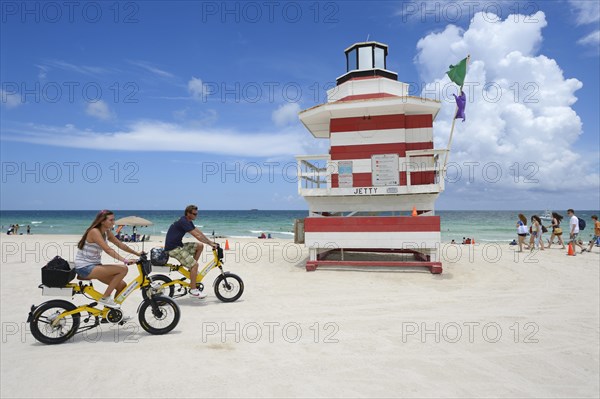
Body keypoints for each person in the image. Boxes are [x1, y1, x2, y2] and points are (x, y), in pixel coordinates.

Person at [74, 210, 141, 309]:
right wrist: (125, 260)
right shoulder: (94, 232)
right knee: (123, 269)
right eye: (111, 220)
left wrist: (137, 253)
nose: (113, 222)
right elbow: (108, 250)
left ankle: (113, 312)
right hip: (85, 267)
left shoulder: (106, 232)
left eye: (114, 220)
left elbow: (120, 244)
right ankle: (105, 297)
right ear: (102, 221)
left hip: (95, 266)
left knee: (121, 286)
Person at [164, 205, 217, 299]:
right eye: (194, 214)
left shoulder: (188, 221)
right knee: (195, 265)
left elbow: (199, 233)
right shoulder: (183, 221)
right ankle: (193, 290)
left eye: (197, 214)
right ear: (188, 213)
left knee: (200, 246)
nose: (196, 216)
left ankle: (191, 269)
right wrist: (210, 243)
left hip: (179, 245)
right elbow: (197, 236)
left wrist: (210, 242)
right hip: (173, 249)